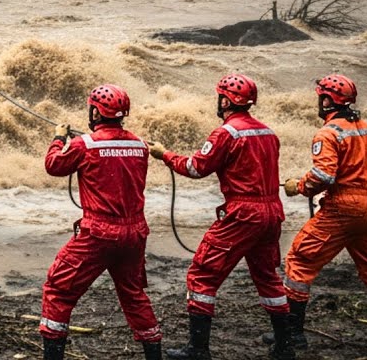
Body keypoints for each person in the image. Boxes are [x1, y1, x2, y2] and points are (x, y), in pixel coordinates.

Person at [148, 74, 294, 360]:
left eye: (220, 96)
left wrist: (164, 155)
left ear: (226, 100)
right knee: (268, 277)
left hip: (243, 214)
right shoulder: (268, 132)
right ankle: (285, 346)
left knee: (202, 275)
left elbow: (195, 167)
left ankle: (198, 349)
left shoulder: (226, 133)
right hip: (272, 213)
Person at [276, 74, 367, 354]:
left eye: (321, 97)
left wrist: (298, 186)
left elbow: (322, 176)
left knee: (299, 260)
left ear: (327, 101)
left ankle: (293, 335)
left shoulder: (328, 133)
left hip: (345, 208)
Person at [40, 84, 162, 360]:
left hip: (98, 233)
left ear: (95, 110)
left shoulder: (85, 144)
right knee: (134, 295)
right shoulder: (140, 145)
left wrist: (59, 139)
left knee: (58, 291)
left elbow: (53, 166)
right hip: (134, 232)